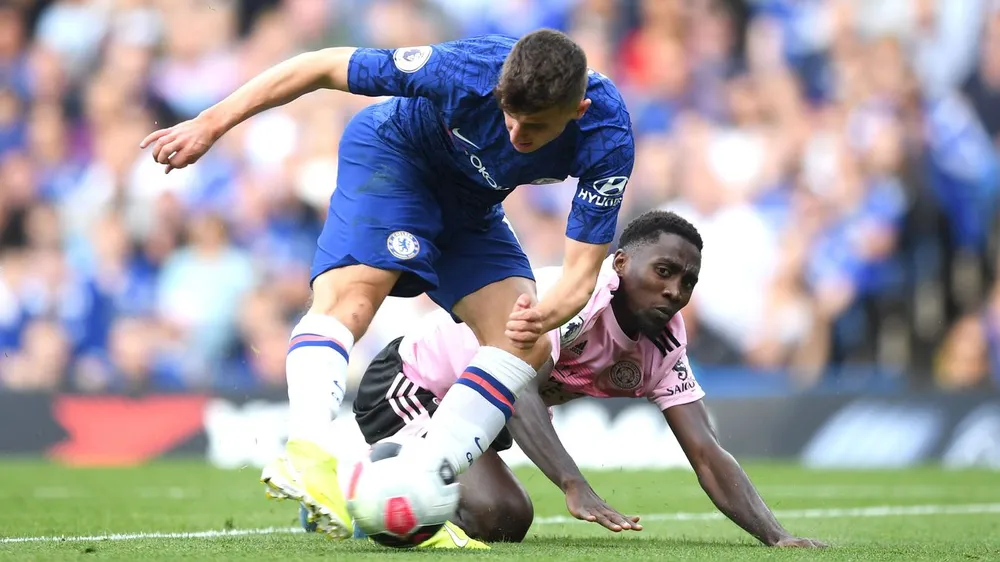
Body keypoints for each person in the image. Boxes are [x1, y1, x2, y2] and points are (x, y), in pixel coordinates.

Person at [139, 29, 634, 544]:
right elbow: (323, 65)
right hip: (395, 155)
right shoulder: (465, 70)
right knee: (354, 298)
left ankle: (420, 481)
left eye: (535, 126)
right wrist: (211, 122)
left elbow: (580, 274)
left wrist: (545, 316)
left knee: (523, 342)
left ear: (577, 110)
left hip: (472, 206)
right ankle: (308, 456)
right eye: (508, 114)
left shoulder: (608, 138)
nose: (515, 134)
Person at [349, 211, 827, 548]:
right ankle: (364, 485)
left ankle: (387, 487)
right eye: (663, 271)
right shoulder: (572, 299)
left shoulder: (663, 344)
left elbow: (706, 452)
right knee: (497, 512)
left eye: (686, 282)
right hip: (413, 385)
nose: (674, 290)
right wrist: (573, 483)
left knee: (503, 519)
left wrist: (777, 535)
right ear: (620, 264)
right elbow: (515, 391)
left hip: (477, 413)